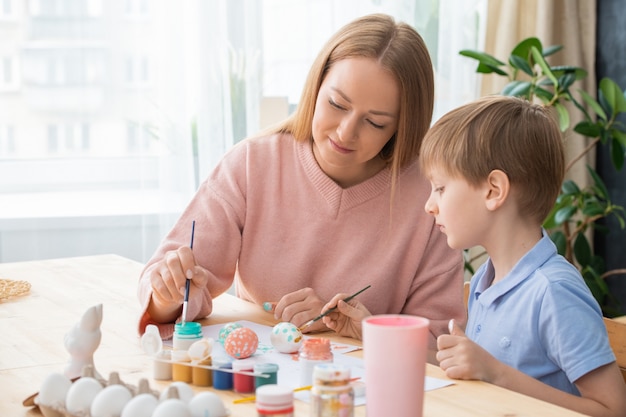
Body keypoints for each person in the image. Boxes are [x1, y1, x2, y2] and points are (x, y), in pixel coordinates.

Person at [137, 13, 466, 349]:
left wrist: (359, 327)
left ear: (403, 126)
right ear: (316, 86)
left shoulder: (430, 196)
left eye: (376, 123)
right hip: (257, 378)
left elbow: (441, 341)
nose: (345, 132)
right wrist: (169, 293)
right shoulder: (252, 163)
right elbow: (165, 287)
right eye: (337, 104)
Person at [416, 95, 626, 416]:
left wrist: (497, 373)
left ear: (493, 191)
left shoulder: (553, 292)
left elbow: (612, 409)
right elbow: (475, 373)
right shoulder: (485, 283)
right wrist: (366, 329)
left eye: (441, 188)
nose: (429, 205)